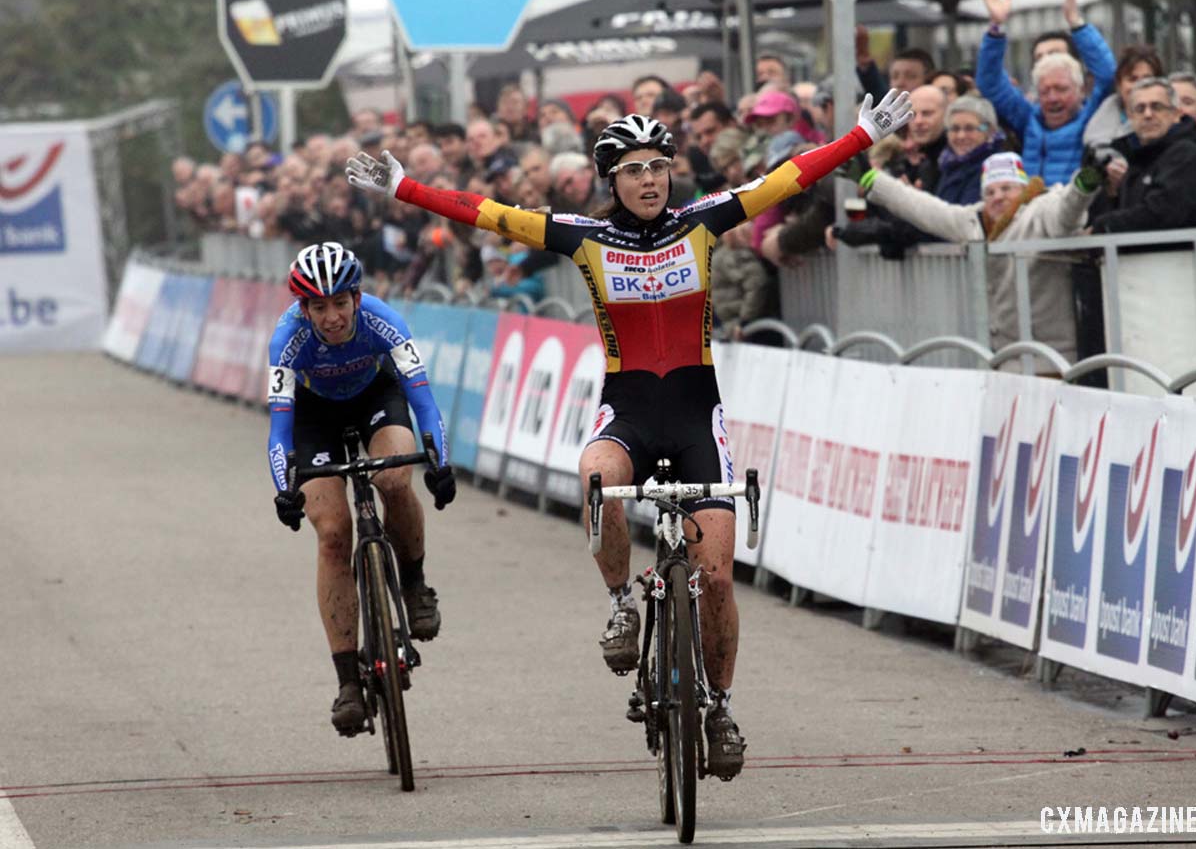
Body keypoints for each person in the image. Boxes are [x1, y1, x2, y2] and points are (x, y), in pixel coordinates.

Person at [346, 90, 915, 780]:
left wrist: (859, 135)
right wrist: (404, 186)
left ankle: (721, 707)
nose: (650, 180)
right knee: (595, 478)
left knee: (716, 577)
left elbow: (786, 179)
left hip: (697, 415)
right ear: (610, 180)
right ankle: (622, 606)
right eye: (634, 169)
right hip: (629, 416)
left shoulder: (703, 221)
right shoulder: (586, 236)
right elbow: (488, 213)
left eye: (659, 166)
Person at [267, 242, 457, 735]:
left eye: (339, 303)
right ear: (303, 308)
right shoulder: (287, 341)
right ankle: (348, 682)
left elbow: (424, 401)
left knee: (393, 476)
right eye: (318, 307)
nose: (331, 317)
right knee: (332, 531)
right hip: (315, 417)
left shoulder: (383, 320)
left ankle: (414, 584)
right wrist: (284, 487)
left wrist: (441, 461)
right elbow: (279, 432)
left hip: (377, 396)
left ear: (356, 297)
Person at [852, 152, 1101, 367]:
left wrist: (1082, 188)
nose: (998, 197)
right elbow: (924, 209)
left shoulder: (1041, 210)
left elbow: (1066, 216)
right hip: (1003, 357)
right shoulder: (973, 220)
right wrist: (873, 180)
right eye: (990, 191)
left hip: (1052, 359)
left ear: (1024, 189)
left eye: (1006, 188)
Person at [977, 0, 1116, 184]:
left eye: (1061, 89)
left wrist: (1077, 24)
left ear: (1080, 89)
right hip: (1031, 210)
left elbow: (1108, 75)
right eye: (1045, 91)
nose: (1052, 98)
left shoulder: (1091, 119)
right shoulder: (1028, 119)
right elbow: (990, 84)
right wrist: (995, 28)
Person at [1091, 78, 1196, 233]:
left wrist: (1102, 227)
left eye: (1157, 107)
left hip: (1191, 255)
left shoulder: (1190, 155)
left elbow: (1162, 213)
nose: (1148, 114)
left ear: (1175, 114)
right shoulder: (1135, 158)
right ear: (1130, 117)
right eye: (1140, 109)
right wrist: (1111, 194)